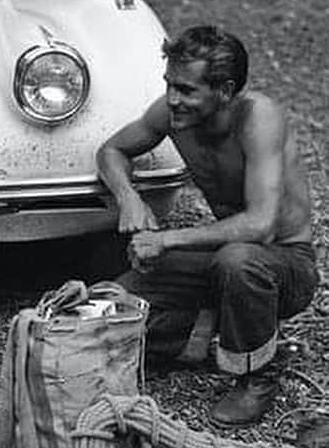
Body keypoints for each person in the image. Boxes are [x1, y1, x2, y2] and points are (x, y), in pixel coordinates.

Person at [96, 25, 317, 426]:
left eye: (186, 89)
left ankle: (258, 375)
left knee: (237, 262)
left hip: (286, 264)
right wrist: (129, 197)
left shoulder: (259, 118)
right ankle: (193, 338)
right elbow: (112, 150)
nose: (172, 99)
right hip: (227, 257)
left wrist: (166, 239)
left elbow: (261, 225)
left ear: (225, 90)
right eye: (169, 85)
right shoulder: (172, 113)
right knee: (120, 297)